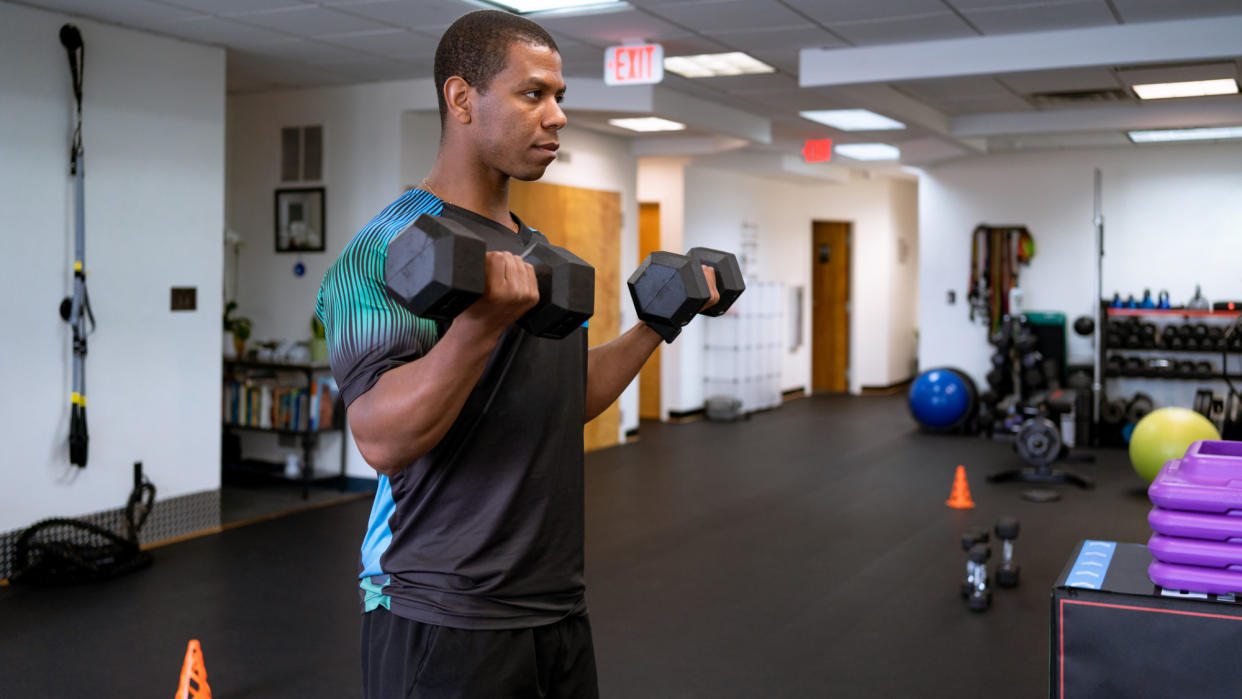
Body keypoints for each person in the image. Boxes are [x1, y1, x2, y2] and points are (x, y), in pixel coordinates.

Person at [315, 10, 719, 698]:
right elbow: (380, 437)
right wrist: (478, 327)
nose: (557, 116)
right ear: (462, 98)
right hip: (440, 608)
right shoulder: (386, 248)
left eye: (560, 96)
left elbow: (564, 394)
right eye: (534, 94)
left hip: (555, 607)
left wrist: (656, 325)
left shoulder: (542, 255)